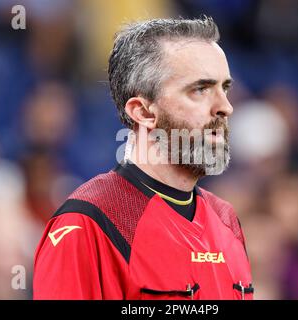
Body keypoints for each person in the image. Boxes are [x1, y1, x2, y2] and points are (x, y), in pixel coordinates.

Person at [33, 17, 253, 300]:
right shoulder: (86, 225)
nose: (225, 107)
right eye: (200, 89)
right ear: (143, 112)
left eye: (225, 88)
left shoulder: (226, 220)